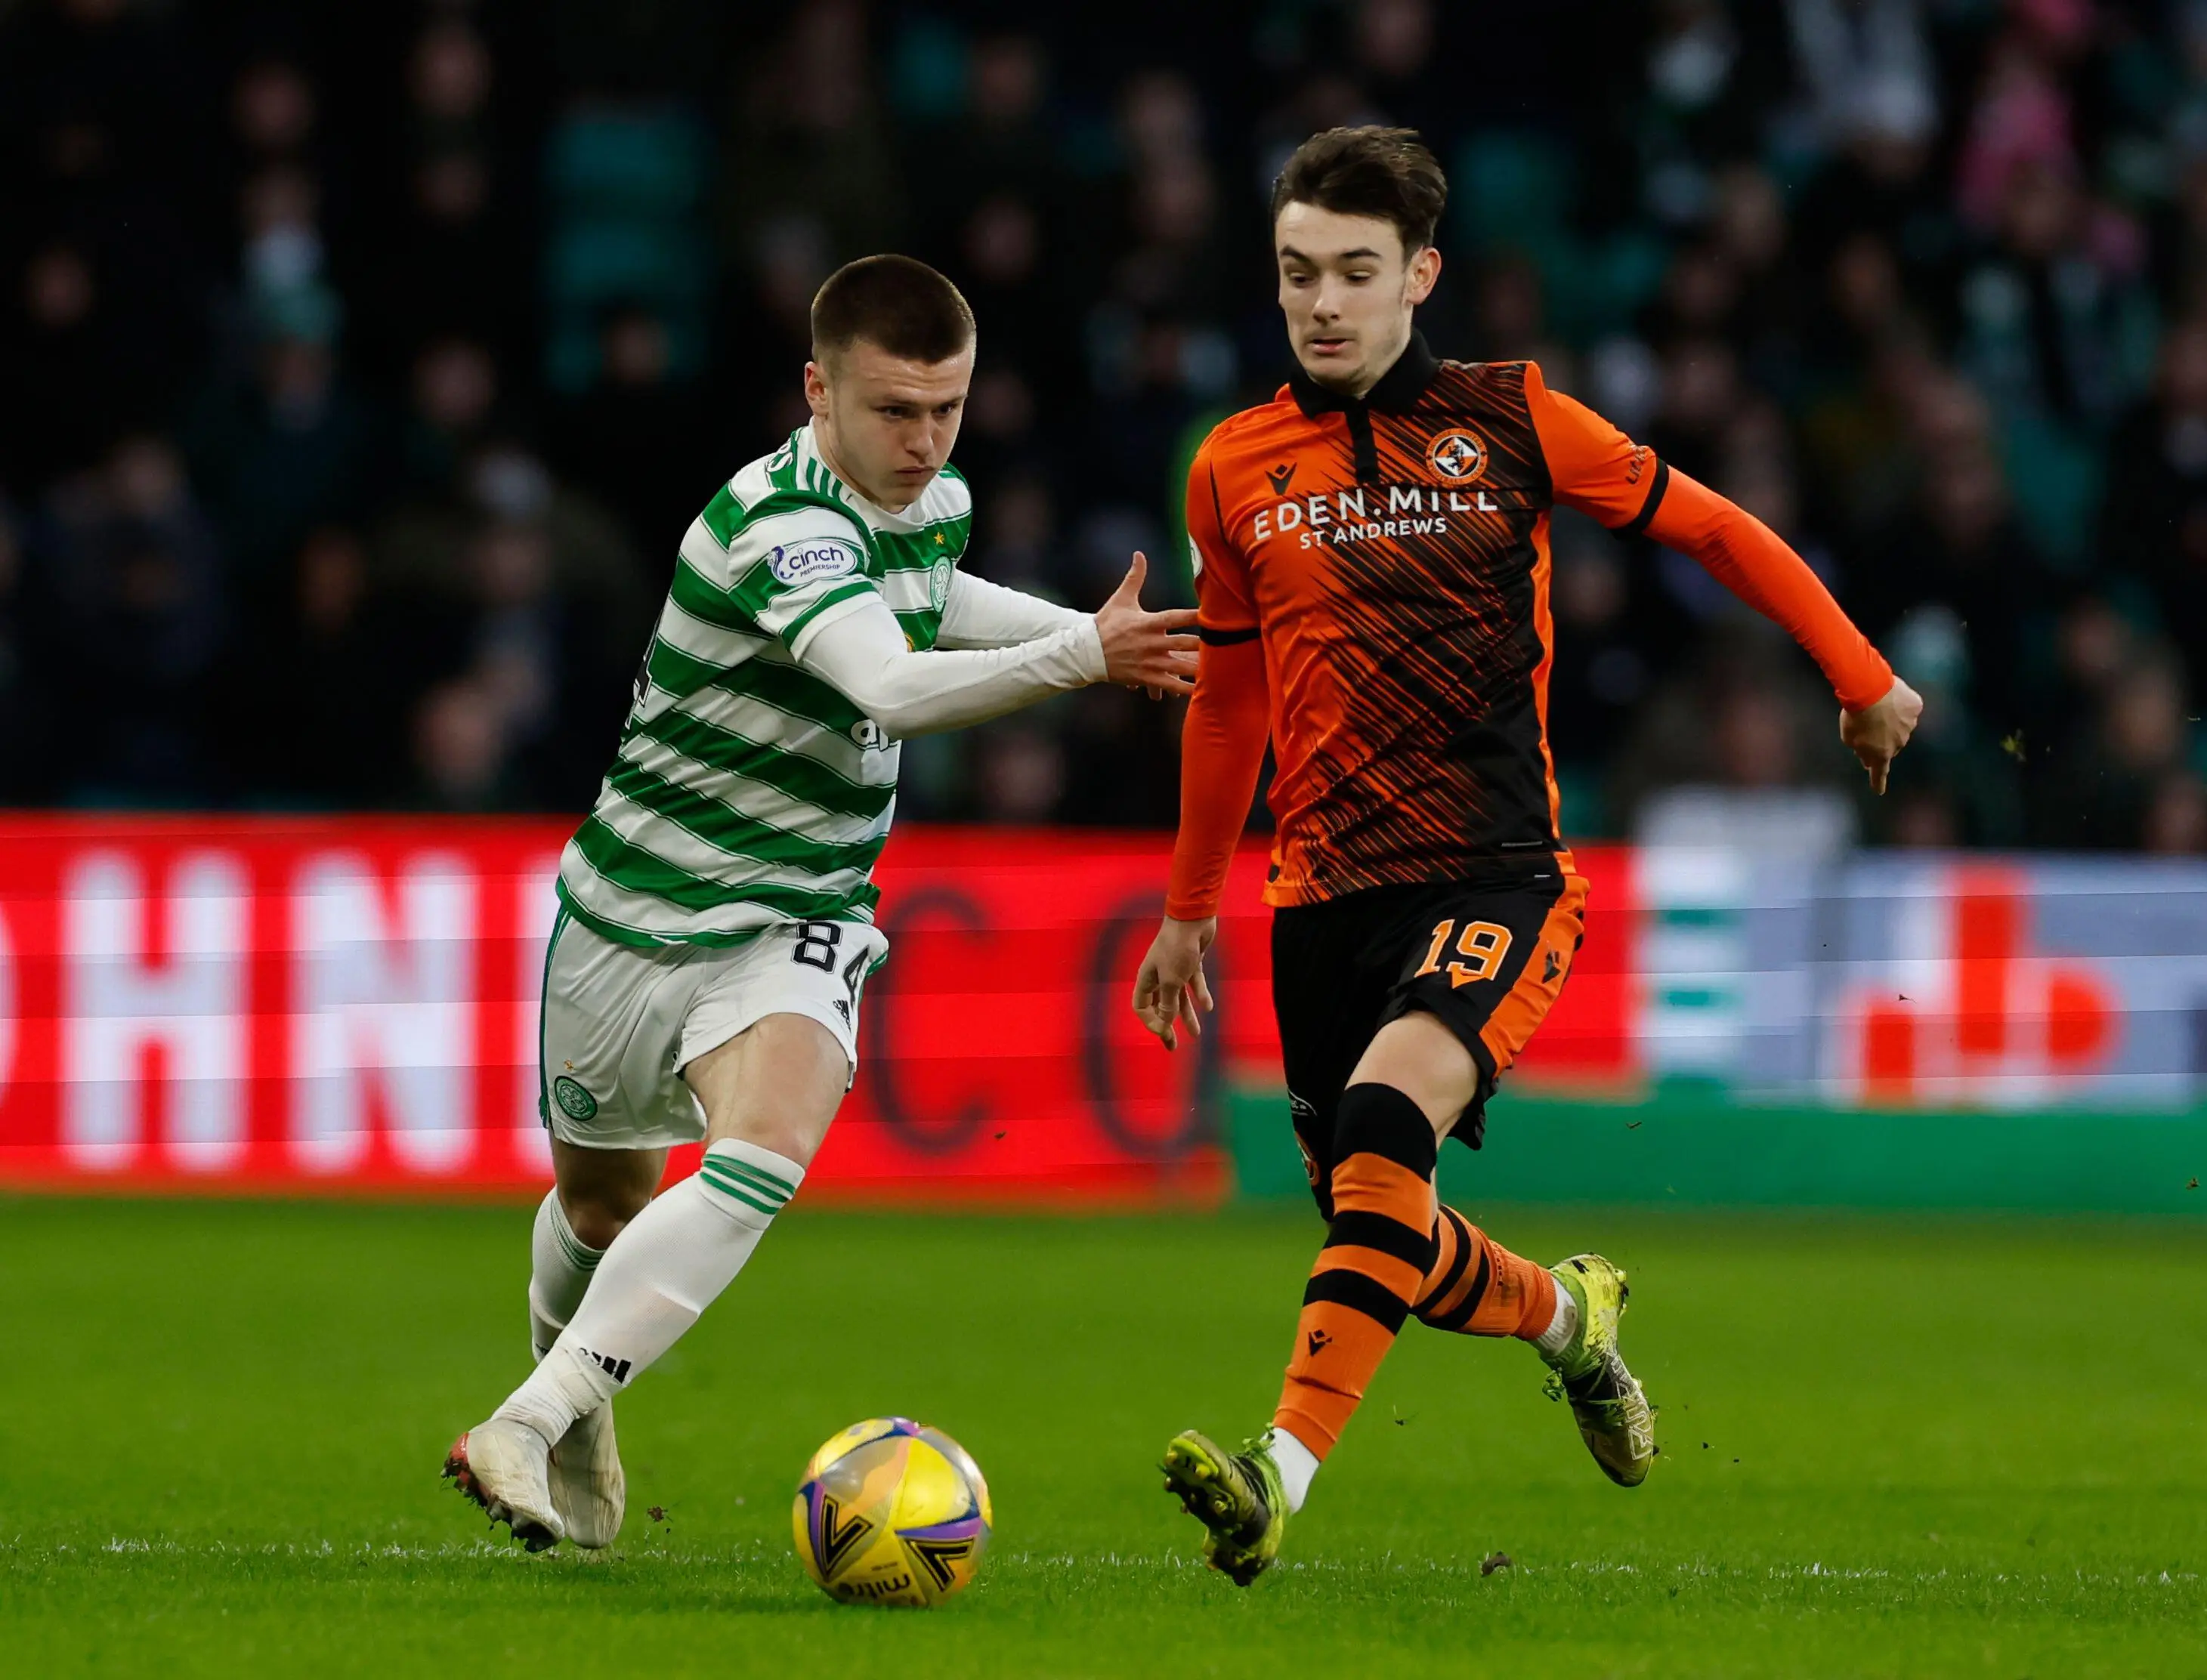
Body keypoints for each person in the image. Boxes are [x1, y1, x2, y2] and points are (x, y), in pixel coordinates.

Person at [1130, 128, 1921, 1586]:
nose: (1323, 303)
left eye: (1356, 273)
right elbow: (1230, 696)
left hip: (1496, 873)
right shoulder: (1233, 467)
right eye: (1300, 272)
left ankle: (1277, 1475)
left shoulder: (1514, 420)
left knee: (1383, 1128)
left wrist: (1860, 674)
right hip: (1319, 900)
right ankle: (1570, 1320)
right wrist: (1190, 907)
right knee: (1383, 1224)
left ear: (1420, 276)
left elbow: (1715, 529)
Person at [445, 254, 1197, 1551]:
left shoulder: (931, 502)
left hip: (795, 913)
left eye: (947, 410)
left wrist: (1101, 631)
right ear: (818, 391)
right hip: (631, 910)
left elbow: (932, 595)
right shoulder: (774, 526)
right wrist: (1084, 655)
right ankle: (578, 1401)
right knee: (597, 1212)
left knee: (766, 1147)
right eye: (894, 411)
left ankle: (532, 1411)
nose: (923, 442)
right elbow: (891, 685)